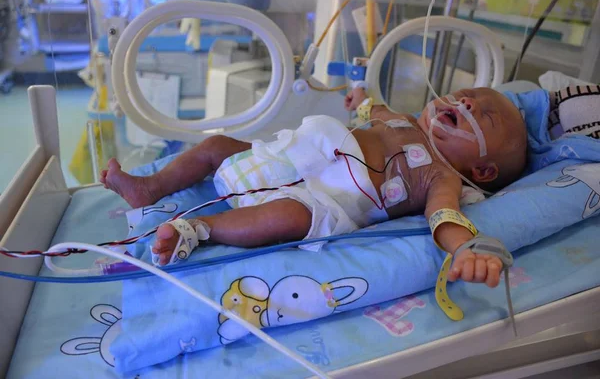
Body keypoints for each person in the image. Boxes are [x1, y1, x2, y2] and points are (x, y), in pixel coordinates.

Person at [101, 86, 527, 288]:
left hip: (320, 197)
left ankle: (200, 229)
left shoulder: (441, 175)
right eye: (466, 94)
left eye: (484, 117)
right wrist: (360, 95)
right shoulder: (399, 118)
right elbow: (371, 105)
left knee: (288, 218)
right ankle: (149, 187)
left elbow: (443, 215)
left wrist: (465, 248)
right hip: (282, 157)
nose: (467, 104)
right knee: (215, 147)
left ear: (484, 171)